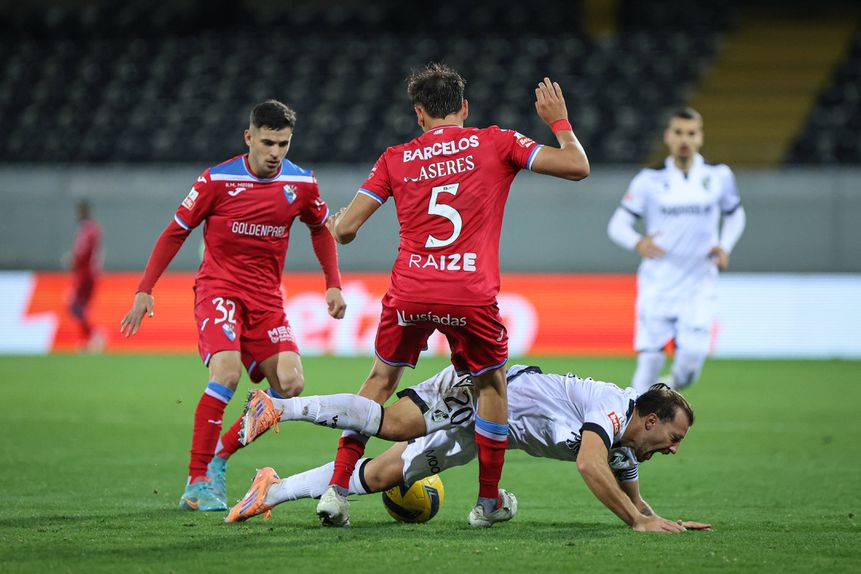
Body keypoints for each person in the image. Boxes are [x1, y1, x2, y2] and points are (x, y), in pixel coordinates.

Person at [320, 64, 590, 527]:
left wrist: (335, 223)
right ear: (464, 107)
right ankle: (487, 502)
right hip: (469, 291)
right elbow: (577, 166)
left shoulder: (395, 158)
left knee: (380, 380)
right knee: (491, 384)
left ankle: (336, 489)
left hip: (411, 289)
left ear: (419, 114)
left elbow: (345, 231)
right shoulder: (497, 141)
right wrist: (559, 121)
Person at [120, 100, 347, 512]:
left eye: (283, 143)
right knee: (226, 374)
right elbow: (175, 232)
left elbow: (320, 229)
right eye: (267, 142)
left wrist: (332, 284)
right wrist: (145, 288)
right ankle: (197, 481)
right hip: (219, 290)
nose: (275, 152)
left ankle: (221, 456)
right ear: (249, 138)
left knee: (290, 384)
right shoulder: (217, 180)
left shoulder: (302, 183)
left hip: (266, 300)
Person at [228, 364, 711, 533]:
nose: (673, 449)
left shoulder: (628, 447)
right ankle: (279, 406)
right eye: (674, 438)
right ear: (651, 420)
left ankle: (272, 490)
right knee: (391, 424)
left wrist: (658, 519)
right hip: (484, 391)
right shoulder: (612, 407)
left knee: (382, 476)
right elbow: (588, 463)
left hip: (483, 437)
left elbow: (635, 501)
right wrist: (636, 523)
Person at [607, 107, 746, 395]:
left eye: (691, 133)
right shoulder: (649, 179)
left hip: (699, 283)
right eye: (679, 132)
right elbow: (617, 225)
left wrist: (725, 246)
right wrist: (638, 242)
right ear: (668, 136)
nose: (685, 139)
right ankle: (631, 420)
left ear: (700, 137)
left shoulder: (718, 176)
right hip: (659, 282)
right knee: (649, 363)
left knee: (690, 367)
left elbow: (736, 215)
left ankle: (661, 393)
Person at [68, 199, 104, 352]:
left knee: (74, 305)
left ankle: (93, 335)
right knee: (79, 306)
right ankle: (89, 338)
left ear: (83, 212)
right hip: (91, 273)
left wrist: (73, 260)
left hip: (85, 274)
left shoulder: (86, 229)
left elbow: (82, 252)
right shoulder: (93, 228)